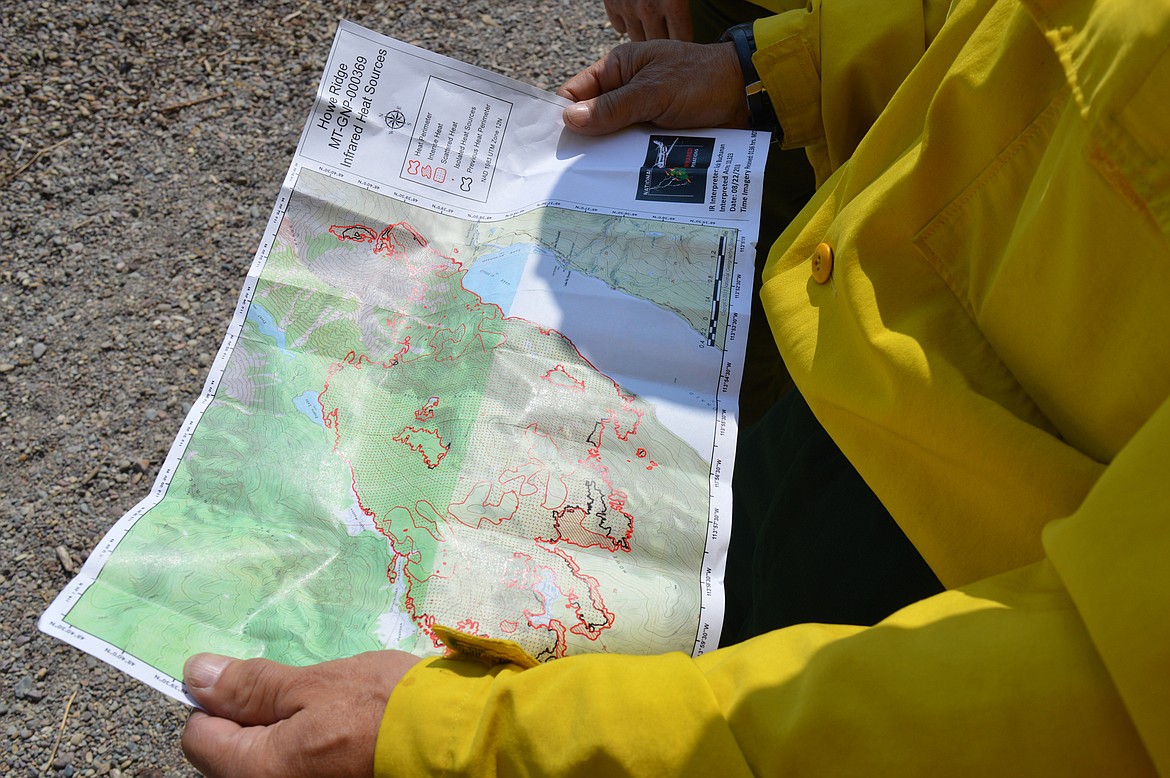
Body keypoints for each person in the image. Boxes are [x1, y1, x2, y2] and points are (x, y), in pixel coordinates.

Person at [181, 0, 1170, 774]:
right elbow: (1034, 33)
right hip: (849, 402)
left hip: (950, 589)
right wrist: (779, 68)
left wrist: (461, 745)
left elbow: (1103, 702)